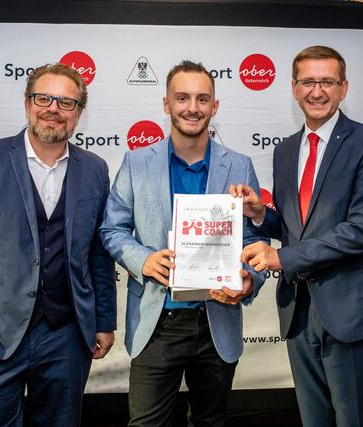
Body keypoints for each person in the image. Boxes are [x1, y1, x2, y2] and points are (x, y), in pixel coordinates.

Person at [230, 46, 363, 427]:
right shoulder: (286, 150)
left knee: (354, 420)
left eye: (327, 81)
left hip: (353, 311)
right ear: (293, 88)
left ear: (343, 88)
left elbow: (362, 231)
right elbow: (299, 228)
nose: (317, 91)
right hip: (300, 310)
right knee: (313, 420)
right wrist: (261, 215)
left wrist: (282, 259)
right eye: (308, 81)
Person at [0, 63, 117, 427]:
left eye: (66, 102)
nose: (54, 108)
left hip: (67, 335)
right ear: (27, 104)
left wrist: (103, 320)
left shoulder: (96, 169)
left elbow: (98, 254)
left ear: (79, 113)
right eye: (44, 98)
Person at [99, 60, 267, 427]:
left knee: (211, 422)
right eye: (182, 97)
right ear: (166, 104)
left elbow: (255, 238)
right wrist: (143, 260)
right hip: (158, 322)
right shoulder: (136, 162)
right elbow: (112, 229)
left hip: (217, 320)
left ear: (215, 107)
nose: (192, 107)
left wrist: (251, 279)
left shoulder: (239, 165)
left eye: (202, 98)